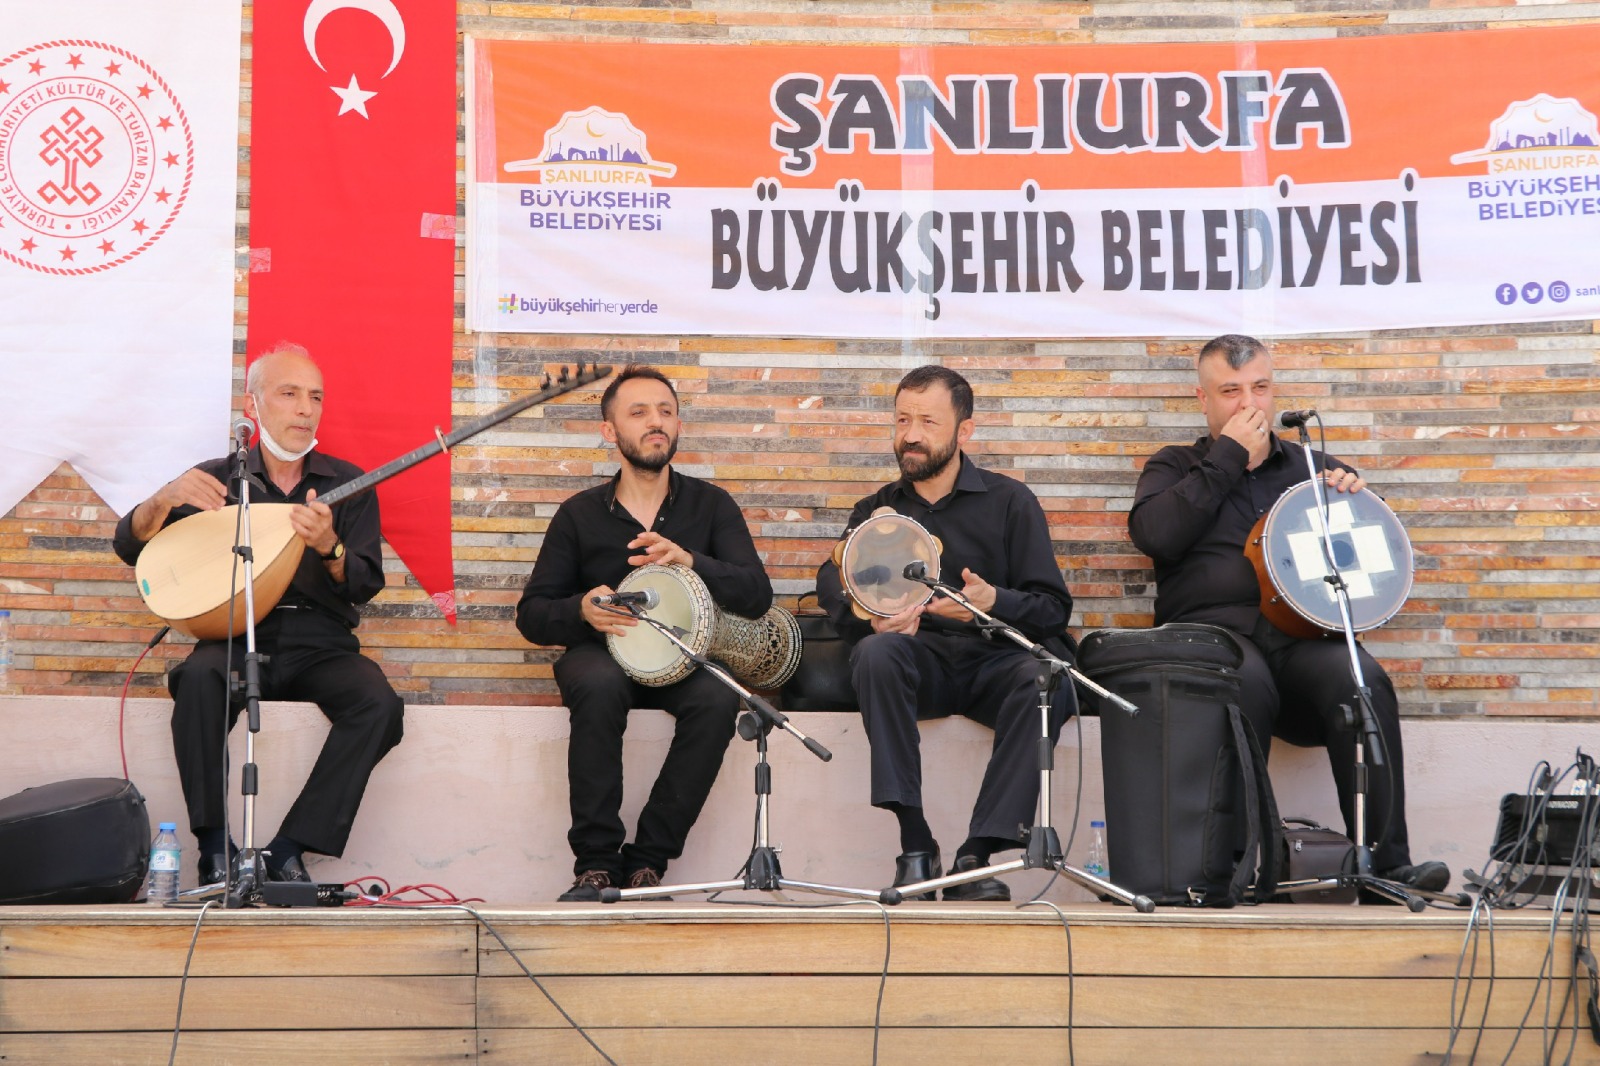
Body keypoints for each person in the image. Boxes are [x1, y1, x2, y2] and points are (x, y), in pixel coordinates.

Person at [1127, 333, 1449, 893]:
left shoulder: (1313, 470)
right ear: (1203, 399)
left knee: (1361, 679)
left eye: (1260, 387)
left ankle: (1384, 865)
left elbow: (1367, 563)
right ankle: (1230, 869)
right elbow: (1156, 536)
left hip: (1301, 637)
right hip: (1219, 635)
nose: (1249, 403)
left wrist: (1355, 502)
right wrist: (1227, 457)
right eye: (1230, 391)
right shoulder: (1176, 466)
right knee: (1243, 681)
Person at [112, 344, 404, 887]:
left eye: (315, 397)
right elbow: (130, 547)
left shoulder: (348, 483)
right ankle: (215, 850)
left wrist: (331, 547)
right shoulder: (213, 480)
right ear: (253, 404)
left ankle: (287, 850)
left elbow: (365, 584)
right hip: (233, 631)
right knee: (198, 679)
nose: (305, 409)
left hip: (321, 641)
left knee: (379, 704)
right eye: (289, 393)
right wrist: (163, 497)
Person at [817, 365, 1075, 901]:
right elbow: (831, 581)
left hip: (995, 662)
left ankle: (975, 856)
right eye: (902, 420)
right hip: (921, 662)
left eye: (928, 422)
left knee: (1048, 681)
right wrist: (872, 617)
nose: (911, 434)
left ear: (964, 430)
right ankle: (916, 844)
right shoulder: (878, 510)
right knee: (877, 653)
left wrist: (991, 603)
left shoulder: (1010, 501)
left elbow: (1052, 608)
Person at [516, 364, 773, 901]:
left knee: (717, 698)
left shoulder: (712, 505)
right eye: (638, 413)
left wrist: (691, 560)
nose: (656, 422)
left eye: (665, 411)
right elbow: (532, 613)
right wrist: (581, 611)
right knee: (598, 684)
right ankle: (595, 866)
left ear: (678, 425)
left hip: (683, 657)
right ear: (609, 431)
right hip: (602, 654)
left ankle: (648, 863)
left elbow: (756, 594)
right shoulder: (578, 515)